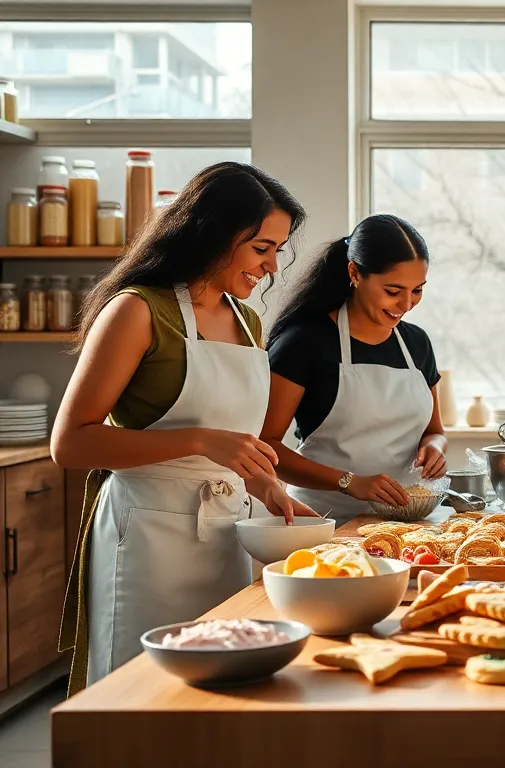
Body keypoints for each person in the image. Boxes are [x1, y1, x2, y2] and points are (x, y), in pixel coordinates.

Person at [52, 162, 311, 692]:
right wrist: (198, 441)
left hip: (227, 534)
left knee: (222, 686)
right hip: (150, 536)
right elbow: (70, 442)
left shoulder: (247, 321)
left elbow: (236, 437)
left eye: (278, 251)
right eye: (261, 247)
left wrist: (265, 485)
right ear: (215, 232)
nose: (271, 266)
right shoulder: (137, 311)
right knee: (145, 691)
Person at [262, 214, 447, 526]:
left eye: (417, 290)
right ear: (355, 273)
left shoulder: (417, 343)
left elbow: (435, 431)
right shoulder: (305, 341)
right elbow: (267, 446)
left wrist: (435, 449)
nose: (406, 303)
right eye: (393, 290)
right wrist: (349, 482)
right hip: (325, 522)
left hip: (405, 524)